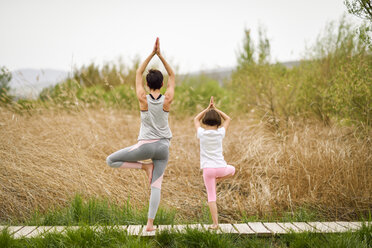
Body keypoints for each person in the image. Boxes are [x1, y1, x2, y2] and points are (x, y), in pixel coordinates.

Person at [106, 38, 175, 232]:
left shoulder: (142, 99)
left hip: (145, 145)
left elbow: (138, 72)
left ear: (146, 83)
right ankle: (150, 224)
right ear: (162, 84)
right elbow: (172, 73)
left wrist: (151, 54)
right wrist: (160, 55)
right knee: (156, 186)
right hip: (163, 148)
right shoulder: (167, 99)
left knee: (110, 160)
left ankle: (145, 167)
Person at [193, 96, 235, 230]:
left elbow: (195, 119)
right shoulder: (220, 133)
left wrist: (207, 109)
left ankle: (215, 224)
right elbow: (228, 119)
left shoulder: (201, 133)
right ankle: (219, 179)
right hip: (221, 168)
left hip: (208, 170)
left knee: (212, 197)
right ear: (218, 122)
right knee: (233, 169)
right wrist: (215, 109)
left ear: (205, 121)